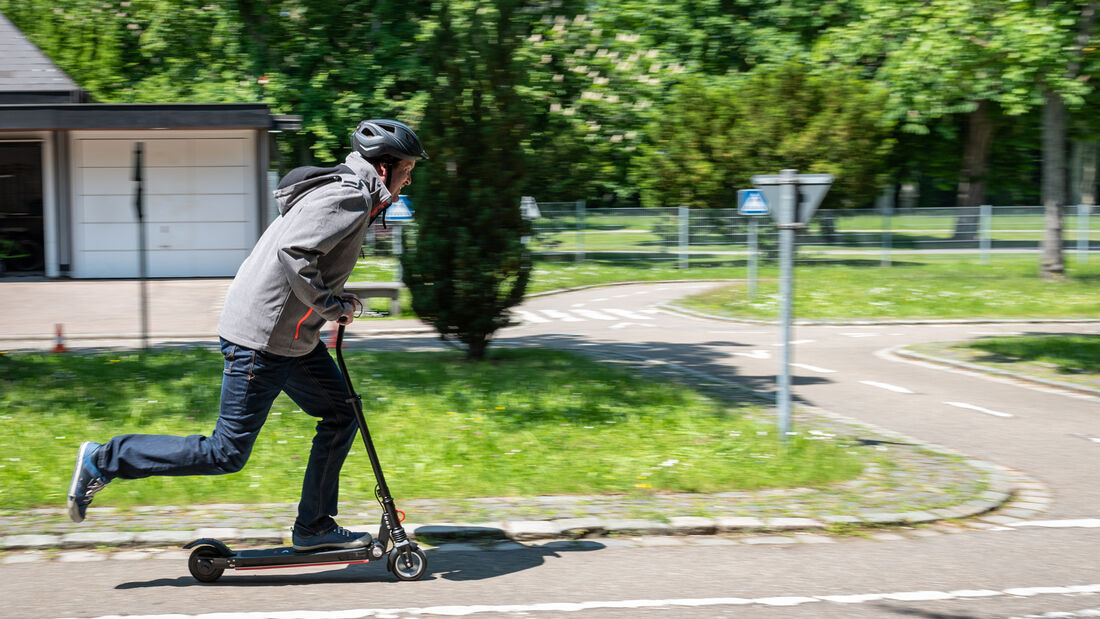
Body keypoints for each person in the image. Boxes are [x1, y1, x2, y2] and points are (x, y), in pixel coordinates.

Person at [66, 119, 428, 551]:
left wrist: (331, 298)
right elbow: (294, 252)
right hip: (262, 340)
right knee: (225, 453)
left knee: (341, 412)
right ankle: (103, 459)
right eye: (407, 170)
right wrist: (332, 307)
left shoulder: (352, 191)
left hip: (292, 338)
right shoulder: (347, 194)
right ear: (384, 167)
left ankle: (313, 526)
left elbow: (308, 259)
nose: (408, 180)